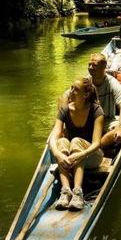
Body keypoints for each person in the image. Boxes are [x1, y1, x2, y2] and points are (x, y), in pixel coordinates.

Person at [49, 78, 104, 211]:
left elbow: (97, 144)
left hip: (92, 157)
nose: (71, 92)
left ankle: (78, 192)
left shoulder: (96, 111)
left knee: (75, 141)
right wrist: (57, 154)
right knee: (61, 142)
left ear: (85, 95)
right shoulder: (65, 110)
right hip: (70, 160)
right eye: (71, 88)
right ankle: (66, 191)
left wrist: (80, 154)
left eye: (76, 89)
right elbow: (53, 137)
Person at [88, 53, 121, 149]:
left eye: (94, 65)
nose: (90, 68)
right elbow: (67, 97)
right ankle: (95, 147)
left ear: (104, 67)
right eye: (89, 65)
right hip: (89, 121)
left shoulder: (112, 83)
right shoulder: (86, 83)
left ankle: (97, 147)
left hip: (108, 120)